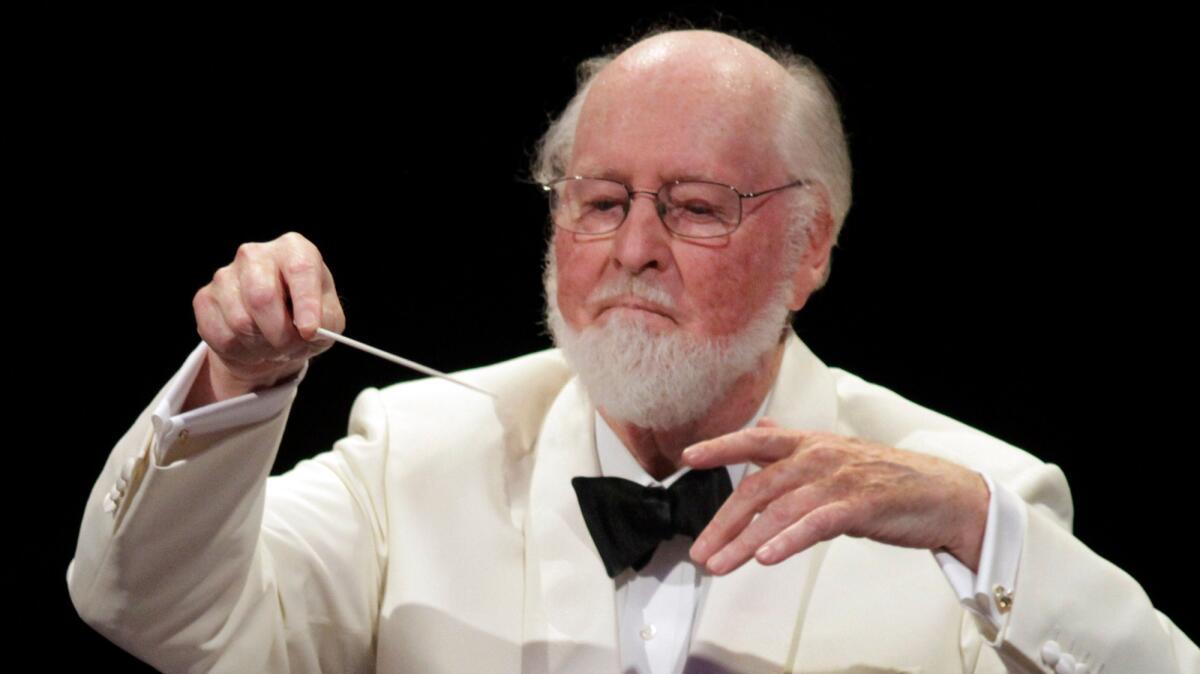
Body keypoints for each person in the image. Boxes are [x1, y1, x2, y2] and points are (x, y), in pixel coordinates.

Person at [67, 28, 1197, 674]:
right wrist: (235, 382)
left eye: (697, 207)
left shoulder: (966, 492)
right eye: (601, 200)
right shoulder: (419, 449)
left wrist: (973, 523)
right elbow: (152, 608)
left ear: (812, 249)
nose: (635, 250)